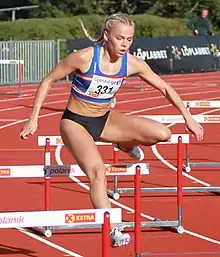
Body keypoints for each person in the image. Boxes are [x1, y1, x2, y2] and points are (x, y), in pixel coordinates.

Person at [20, 13, 204, 247]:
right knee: (98, 173)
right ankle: (112, 228)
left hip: (104, 120)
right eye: (120, 38)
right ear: (107, 36)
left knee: (162, 134)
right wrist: (33, 118)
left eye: (130, 39)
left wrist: (188, 117)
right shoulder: (85, 58)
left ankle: (124, 143)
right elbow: (47, 81)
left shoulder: (132, 63)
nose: (125, 44)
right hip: (75, 123)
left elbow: (165, 88)